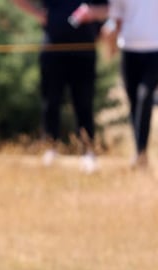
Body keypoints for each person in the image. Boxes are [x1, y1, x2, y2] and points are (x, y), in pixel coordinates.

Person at [12, 0, 108, 172]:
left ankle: (87, 152)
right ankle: (50, 149)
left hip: (84, 49)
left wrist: (93, 12)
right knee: (50, 101)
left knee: (84, 103)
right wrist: (38, 14)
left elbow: (111, 8)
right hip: (53, 48)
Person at [74, 1, 158, 170]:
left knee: (145, 96)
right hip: (128, 50)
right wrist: (110, 44)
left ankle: (140, 152)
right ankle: (139, 153)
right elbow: (116, 17)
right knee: (134, 101)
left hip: (154, 50)